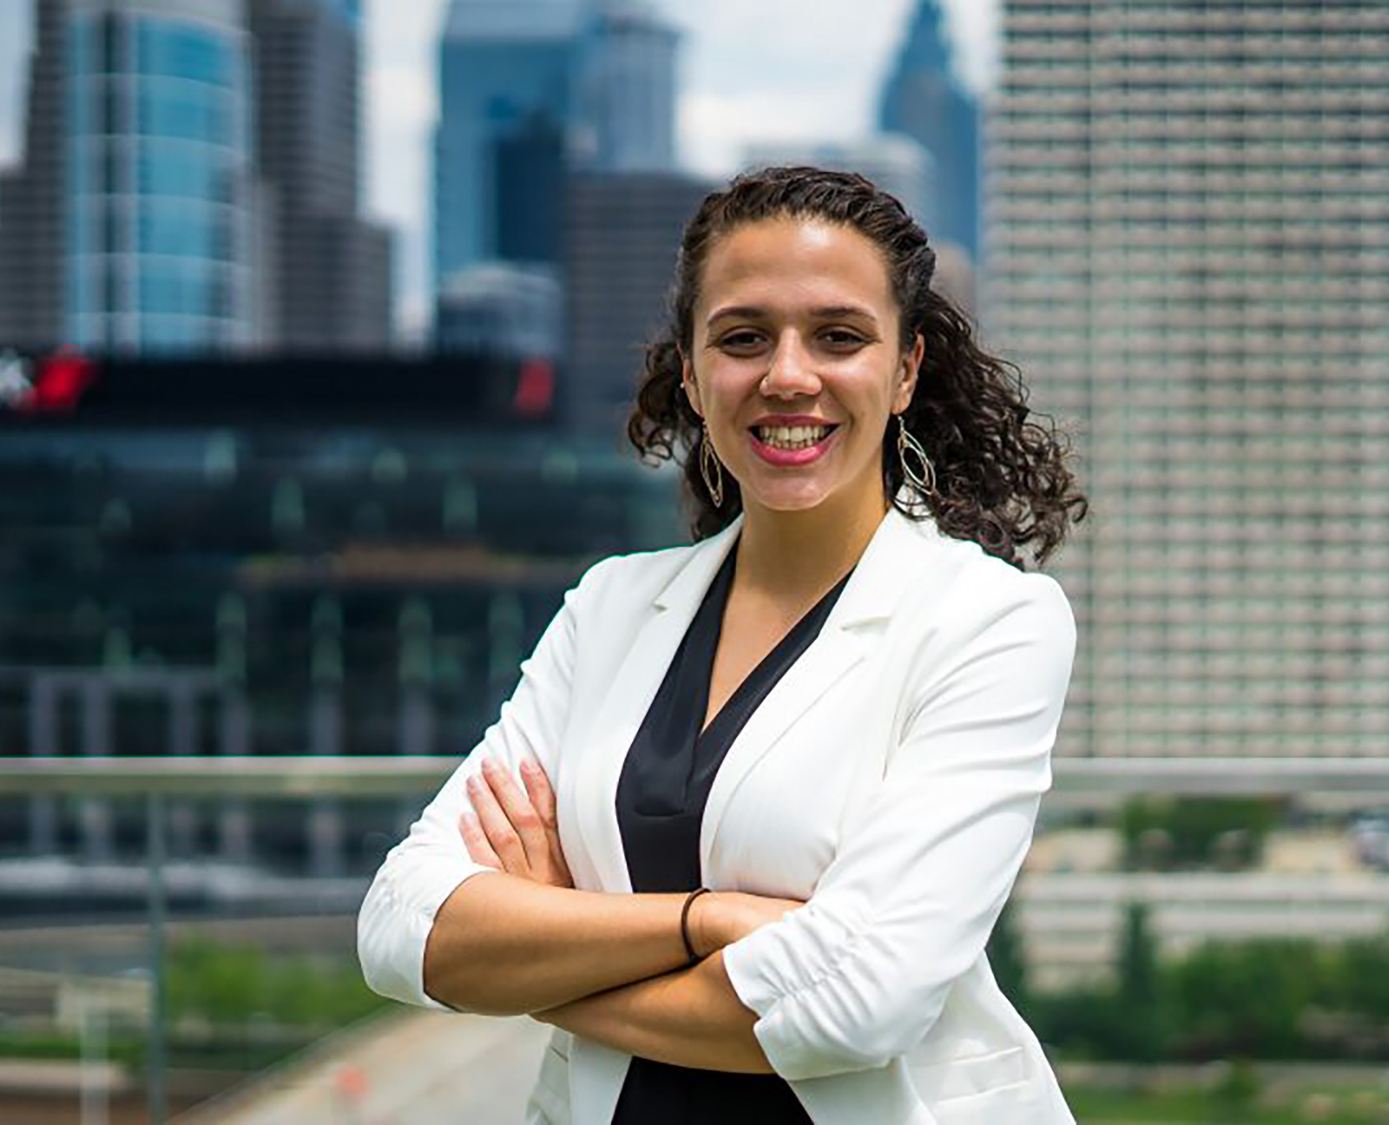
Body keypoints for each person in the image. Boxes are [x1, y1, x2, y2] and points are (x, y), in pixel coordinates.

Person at [357, 165, 1087, 1125]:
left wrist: (535, 960)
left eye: (838, 335)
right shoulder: (610, 606)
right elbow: (402, 926)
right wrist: (702, 921)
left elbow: (858, 1004)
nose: (788, 374)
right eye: (744, 338)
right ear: (695, 377)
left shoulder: (989, 621)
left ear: (906, 369)